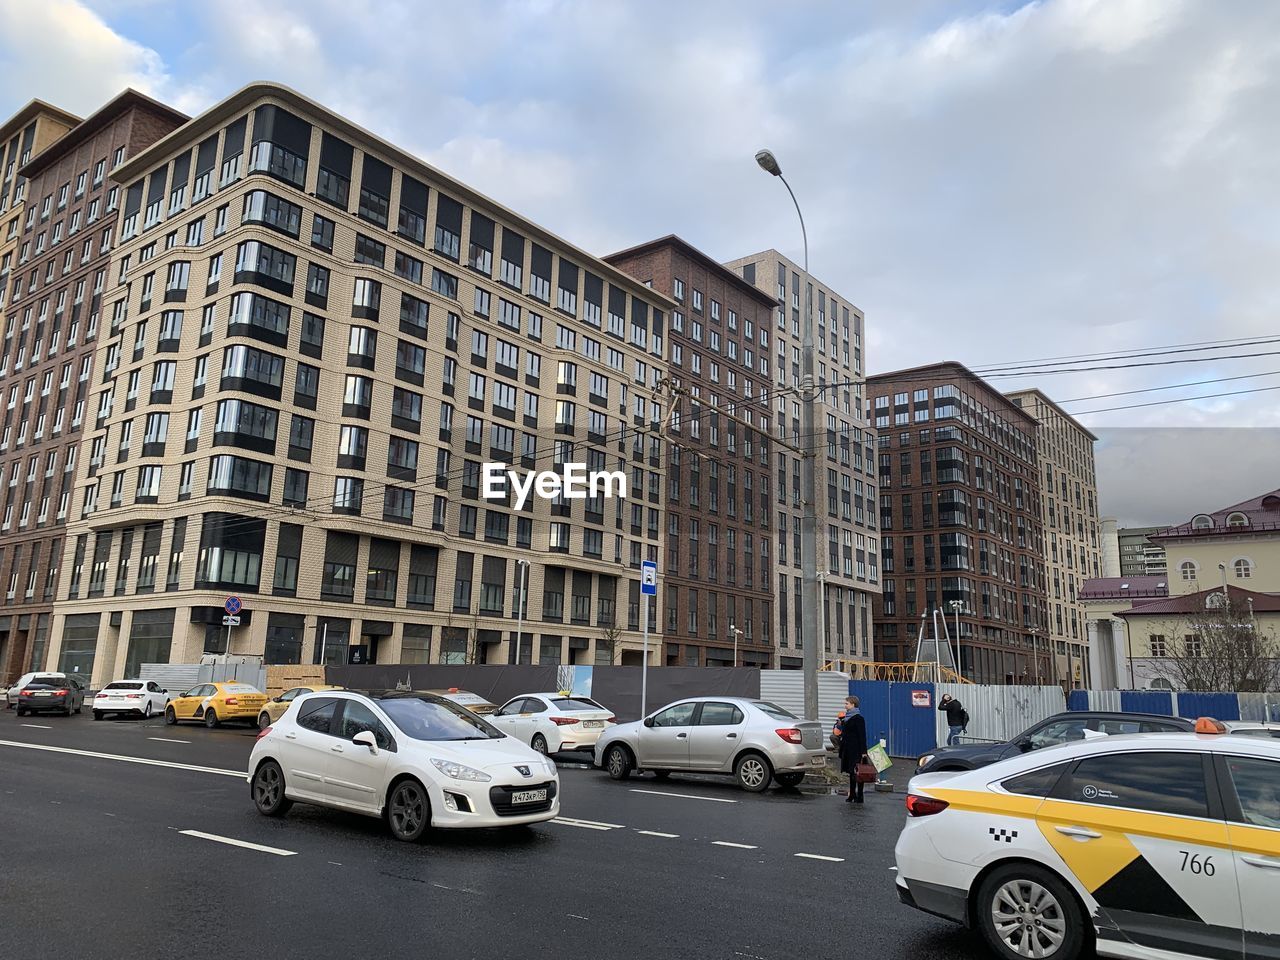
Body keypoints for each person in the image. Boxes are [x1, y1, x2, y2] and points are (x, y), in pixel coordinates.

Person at [838, 695, 869, 804]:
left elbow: (862, 736)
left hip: (856, 750)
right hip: (847, 749)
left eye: (847, 703)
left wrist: (864, 752)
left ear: (853, 704)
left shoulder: (858, 718)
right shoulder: (846, 718)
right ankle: (852, 794)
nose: (845, 705)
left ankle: (860, 796)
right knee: (851, 772)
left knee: (858, 773)